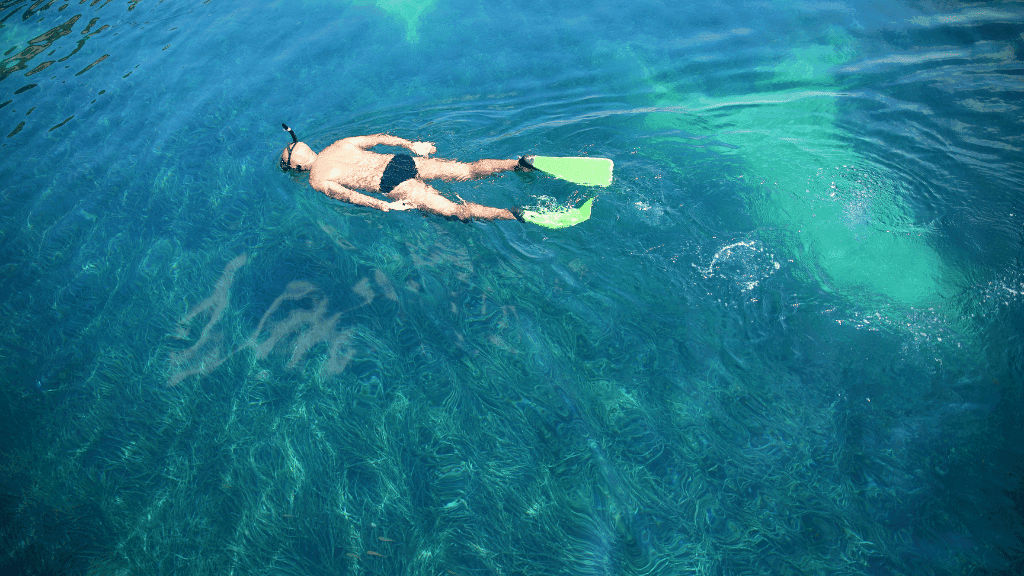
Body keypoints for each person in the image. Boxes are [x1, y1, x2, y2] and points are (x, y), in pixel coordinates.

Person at [279, 124, 532, 222]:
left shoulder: (315, 179)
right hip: (401, 161)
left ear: (298, 169)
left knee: (454, 210)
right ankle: (516, 164)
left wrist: (386, 207)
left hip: (390, 183)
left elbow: (351, 197)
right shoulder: (340, 143)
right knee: (468, 169)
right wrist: (413, 145)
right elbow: (379, 138)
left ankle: (511, 214)